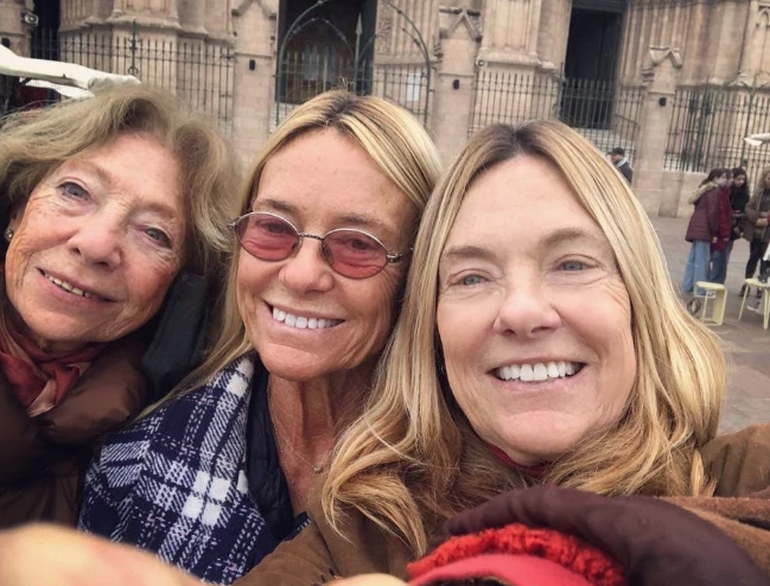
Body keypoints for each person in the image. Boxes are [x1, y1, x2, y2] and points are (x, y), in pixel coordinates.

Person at [238, 121, 770, 584]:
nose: (521, 311)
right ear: (432, 331)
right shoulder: (364, 531)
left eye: (572, 264)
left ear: (639, 301)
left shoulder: (741, 475)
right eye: (472, 276)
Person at [78, 90, 442, 585]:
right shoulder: (132, 466)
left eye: (358, 245)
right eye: (273, 228)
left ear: (415, 273)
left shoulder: (469, 489)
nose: (300, 275)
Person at [0, 83, 240, 528]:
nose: (95, 245)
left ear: (181, 286)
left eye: (154, 233)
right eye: (75, 191)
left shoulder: (180, 431)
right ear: (17, 208)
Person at [682, 168, 730, 298]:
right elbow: (713, 213)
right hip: (705, 229)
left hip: (696, 227)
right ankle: (700, 290)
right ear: (715, 178)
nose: (725, 180)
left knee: (693, 258)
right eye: (723, 177)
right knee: (702, 260)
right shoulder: (714, 191)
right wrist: (714, 233)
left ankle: (687, 285)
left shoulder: (704, 189)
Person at [711, 166, 750, 286]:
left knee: (725, 256)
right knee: (715, 255)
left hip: (733, 229)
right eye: (738, 179)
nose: (740, 182)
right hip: (722, 228)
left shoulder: (744, 194)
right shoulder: (726, 191)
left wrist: (739, 225)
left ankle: (718, 281)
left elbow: (746, 211)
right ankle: (712, 279)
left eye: (743, 179)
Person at [740, 165, 770, 297]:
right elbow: (748, 208)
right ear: (764, 178)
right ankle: (746, 284)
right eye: (768, 178)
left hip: (768, 234)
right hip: (756, 232)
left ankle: (761, 288)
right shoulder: (759, 193)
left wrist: (767, 220)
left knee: (765, 261)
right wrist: (757, 219)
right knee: (752, 259)